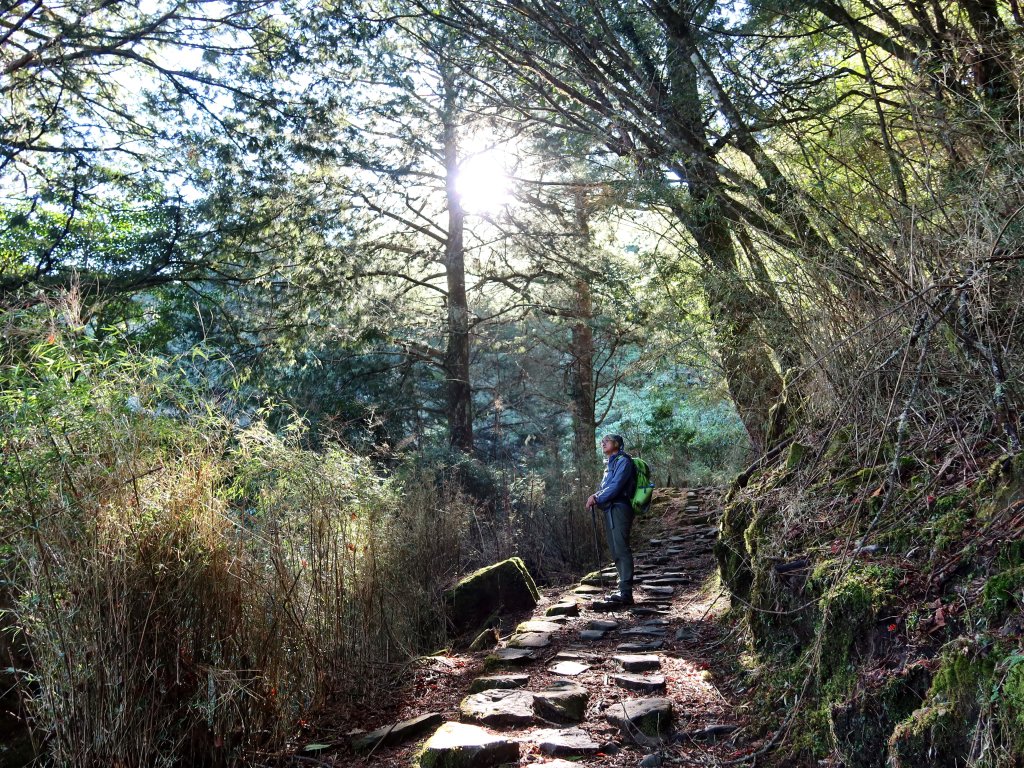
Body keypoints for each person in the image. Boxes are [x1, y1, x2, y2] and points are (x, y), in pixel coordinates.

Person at [586, 434, 637, 605]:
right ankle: (622, 590)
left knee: (621, 548)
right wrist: (597, 495)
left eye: (606, 441)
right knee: (615, 550)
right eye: (602, 441)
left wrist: (597, 498)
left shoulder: (624, 461)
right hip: (610, 508)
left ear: (617, 444)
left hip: (620, 507)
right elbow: (606, 487)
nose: (603, 443)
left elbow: (616, 486)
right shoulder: (610, 464)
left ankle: (626, 593)